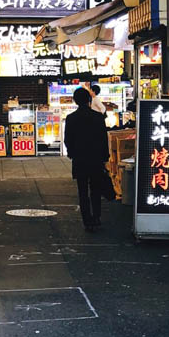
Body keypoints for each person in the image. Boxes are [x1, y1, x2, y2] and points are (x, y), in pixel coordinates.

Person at [64, 86, 109, 230]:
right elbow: (103, 139)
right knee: (96, 189)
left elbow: (68, 140)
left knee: (82, 191)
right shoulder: (98, 117)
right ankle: (96, 216)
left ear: (75, 101)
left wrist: (71, 153)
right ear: (89, 99)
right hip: (95, 158)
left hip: (80, 159)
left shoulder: (71, 118)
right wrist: (105, 156)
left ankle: (87, 220)